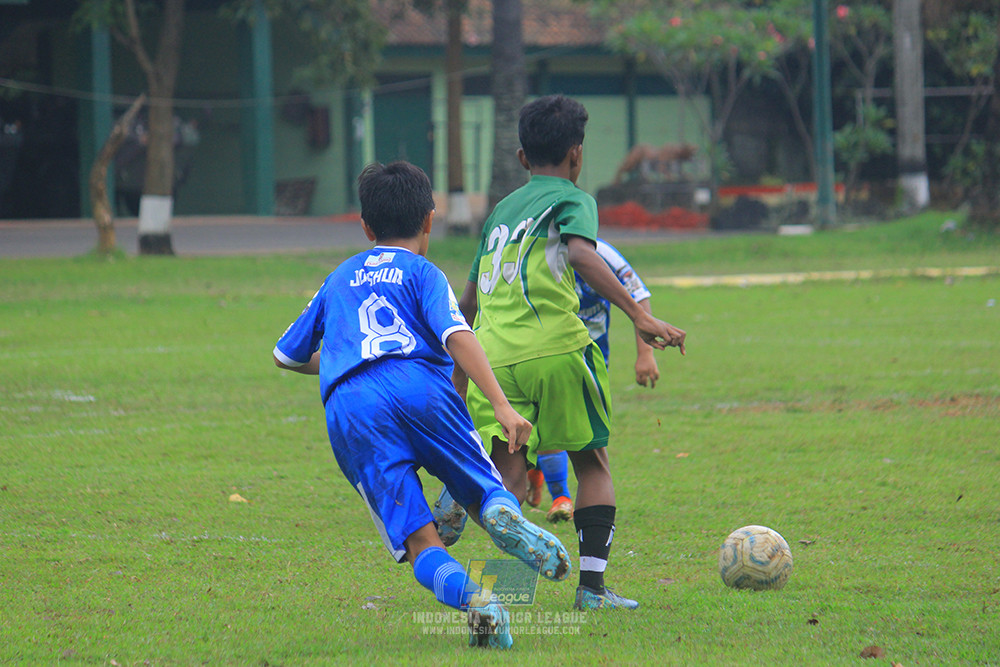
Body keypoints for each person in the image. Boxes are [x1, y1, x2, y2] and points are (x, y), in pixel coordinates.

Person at [272, 161, 571, 649]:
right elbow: (457, 334)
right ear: (430, 219)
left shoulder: (340, 277)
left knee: (419, 543)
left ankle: (480, 602)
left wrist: (342, 362)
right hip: (422, 385)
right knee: (481, 488)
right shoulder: (424, 272)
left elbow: (287, 355)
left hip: (353, 406)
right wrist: (501, 405)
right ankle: (497, 512)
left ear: (366, 226)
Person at [437, 95, 686, 611]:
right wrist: (639, 315)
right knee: (591, 462)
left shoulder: (500, 211)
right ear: (577, 154)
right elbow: (580, 254)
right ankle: (592, 592)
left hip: (494, 358)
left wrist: (454, 377)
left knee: (506, 473)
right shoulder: (574, 199)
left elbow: (466, 301)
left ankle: (501, 582)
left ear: (523, 157)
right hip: (556, 348)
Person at [526, 239, 660, 522]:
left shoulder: (600, 252)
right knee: (549, 417)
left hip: (592, 357)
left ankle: (537, 469)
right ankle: (561, 497)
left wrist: (645, 353)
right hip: (543, 351)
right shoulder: (534, 249)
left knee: (569, 429)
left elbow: (638, 294)